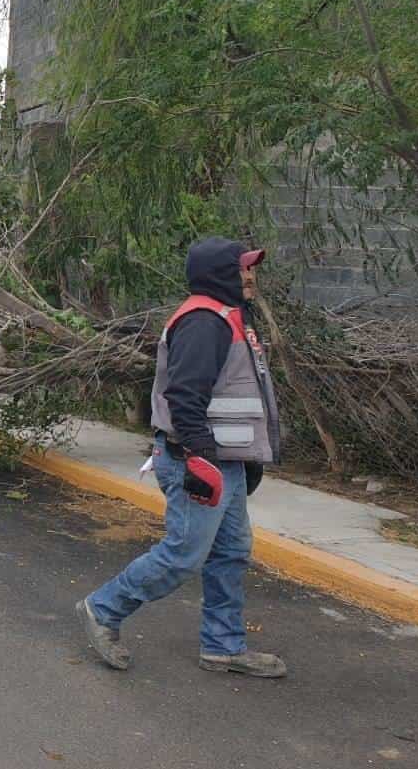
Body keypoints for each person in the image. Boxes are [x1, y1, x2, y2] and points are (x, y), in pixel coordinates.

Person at [76, 237, 287, 678]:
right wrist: (202, 459)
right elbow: (185, 397)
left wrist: (242, 459)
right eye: (241, 268)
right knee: (183, 556)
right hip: (198, 460)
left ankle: (224, 647)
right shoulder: (204, 322)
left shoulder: (229, 318)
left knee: (230, 552)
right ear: (219, 273)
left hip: (222, 461)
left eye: (251, 269)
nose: (250, 276)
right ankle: (103, 608)